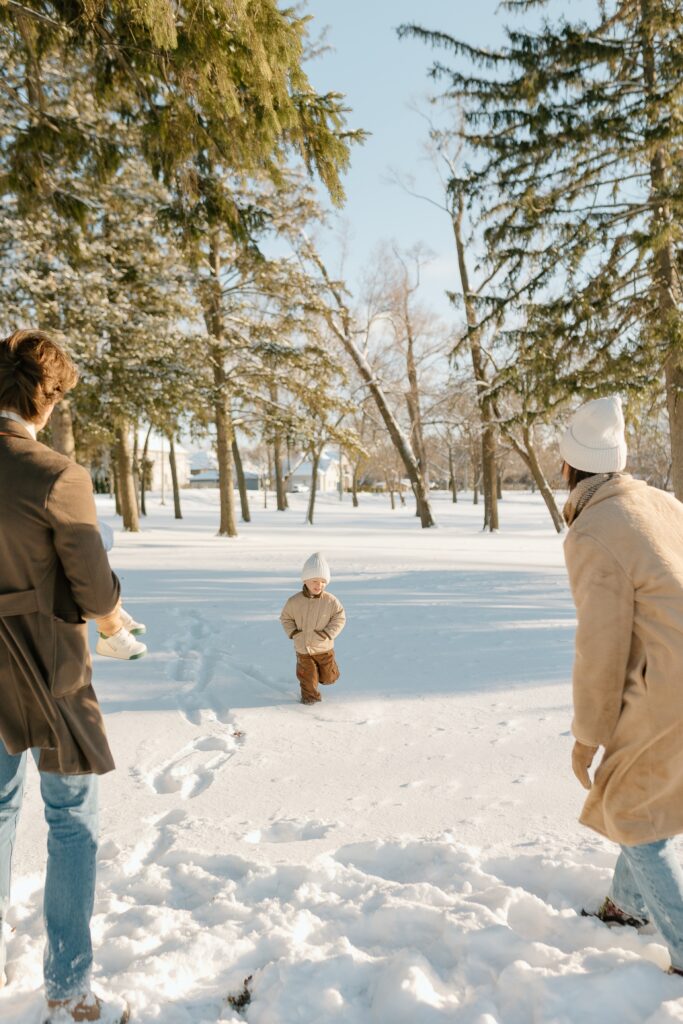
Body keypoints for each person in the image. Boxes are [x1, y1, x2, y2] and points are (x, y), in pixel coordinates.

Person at [0, 329, 129, 1023]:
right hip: (46, 671)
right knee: (72, 821)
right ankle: (69, 991)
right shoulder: (57, 475)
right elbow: (94, 590)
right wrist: (113, 614)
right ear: (42, 400)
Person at [560, 394, 683, 976]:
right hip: (670, 677)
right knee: (638, 796)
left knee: (637, 819)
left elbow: (601, 648)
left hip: (667, 688)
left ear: (568, 468)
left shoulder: (594, 529)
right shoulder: (663, 503)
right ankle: (624, 905)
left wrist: (587, 736)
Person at [280, 552, 346, 705]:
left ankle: (328, 674)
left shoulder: (330, 601)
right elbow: (286, 618)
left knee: (329, 678)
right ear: (306, 580)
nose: (319, 585)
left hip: (323, 647)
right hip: (303, 648)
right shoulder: (294, 601)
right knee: (307, 677)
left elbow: (340, 617)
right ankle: (310, 700)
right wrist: (294, 632)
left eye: (323, 582)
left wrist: (328, 633)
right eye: (315, 581)